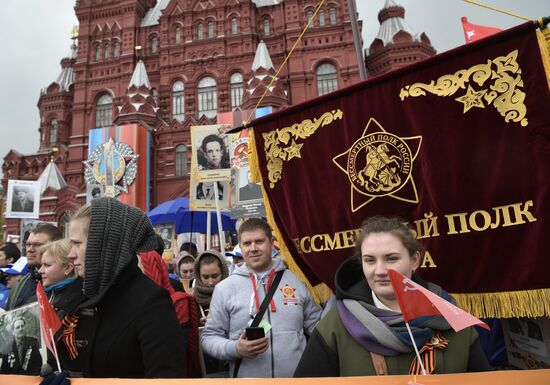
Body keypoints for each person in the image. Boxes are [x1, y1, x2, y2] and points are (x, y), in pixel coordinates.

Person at [294, 216, 491, 377]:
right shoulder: (335, 326)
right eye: (370, 260)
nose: (380, 270)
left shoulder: (451, 319)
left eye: (391, 258)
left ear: (414, 260)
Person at [55, 197, 187, 378]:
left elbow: (167, 377)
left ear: (103, 245)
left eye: (77, 244)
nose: (70, 254)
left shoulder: (152, 303)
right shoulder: (76, 296)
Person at [200, 218, 322, 377]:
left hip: (296, 379)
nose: (253, 248)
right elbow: (209, 338)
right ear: (240, 247)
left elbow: (319, 329)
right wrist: (236, 348)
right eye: (247, 243)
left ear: (271, 243)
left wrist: (336, 296)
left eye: (259, 241)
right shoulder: (224, 289)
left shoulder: (296, 281)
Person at [6, 224, 63, 310]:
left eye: (37, 245)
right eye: (28, 244)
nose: (30, 249)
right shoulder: (21, 283)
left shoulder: (66, 284)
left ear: (56, 247)